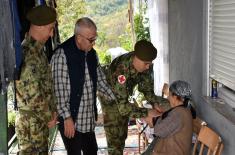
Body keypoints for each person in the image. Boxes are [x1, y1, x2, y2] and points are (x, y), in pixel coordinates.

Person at [50, 17, 115, 155]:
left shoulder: (92, 54)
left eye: (95, 38)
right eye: (91, 39)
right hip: (71, 120)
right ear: (79, 38)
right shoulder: (61, 55)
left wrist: (116, 99)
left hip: (88, 120)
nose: (94, 42)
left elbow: (100, 81)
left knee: (92, 151)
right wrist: (67, 118)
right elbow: (59, 90)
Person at [98, 39, 170, 155]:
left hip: (123, 96)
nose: (148, 67)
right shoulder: (121, 70)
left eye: (150, 64)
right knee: (115, 138)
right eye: (146, 63)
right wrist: (147, 112)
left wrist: (154, 103)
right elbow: (123, 108)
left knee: (123, 133)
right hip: (110, 99)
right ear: (135, 57)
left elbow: (147, 89)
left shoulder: (146, 65)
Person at [15, 5, 57, 155]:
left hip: (37, 122)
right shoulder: (29, 54)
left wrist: (52, 111)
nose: (52, 34)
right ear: (40, 27)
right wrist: (48, 116)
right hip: (32, 126)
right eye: (50, 28)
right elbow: (33, 96)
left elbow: (44, 86)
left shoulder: (38, 50)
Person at [143, 80, 196, 155]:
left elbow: (159, 131)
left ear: (174, 97)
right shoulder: (183, 109)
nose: (168, 98)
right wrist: (161, 114)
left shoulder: (179, 113)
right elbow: (169, 123)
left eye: (169, 95)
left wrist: (153, 120)